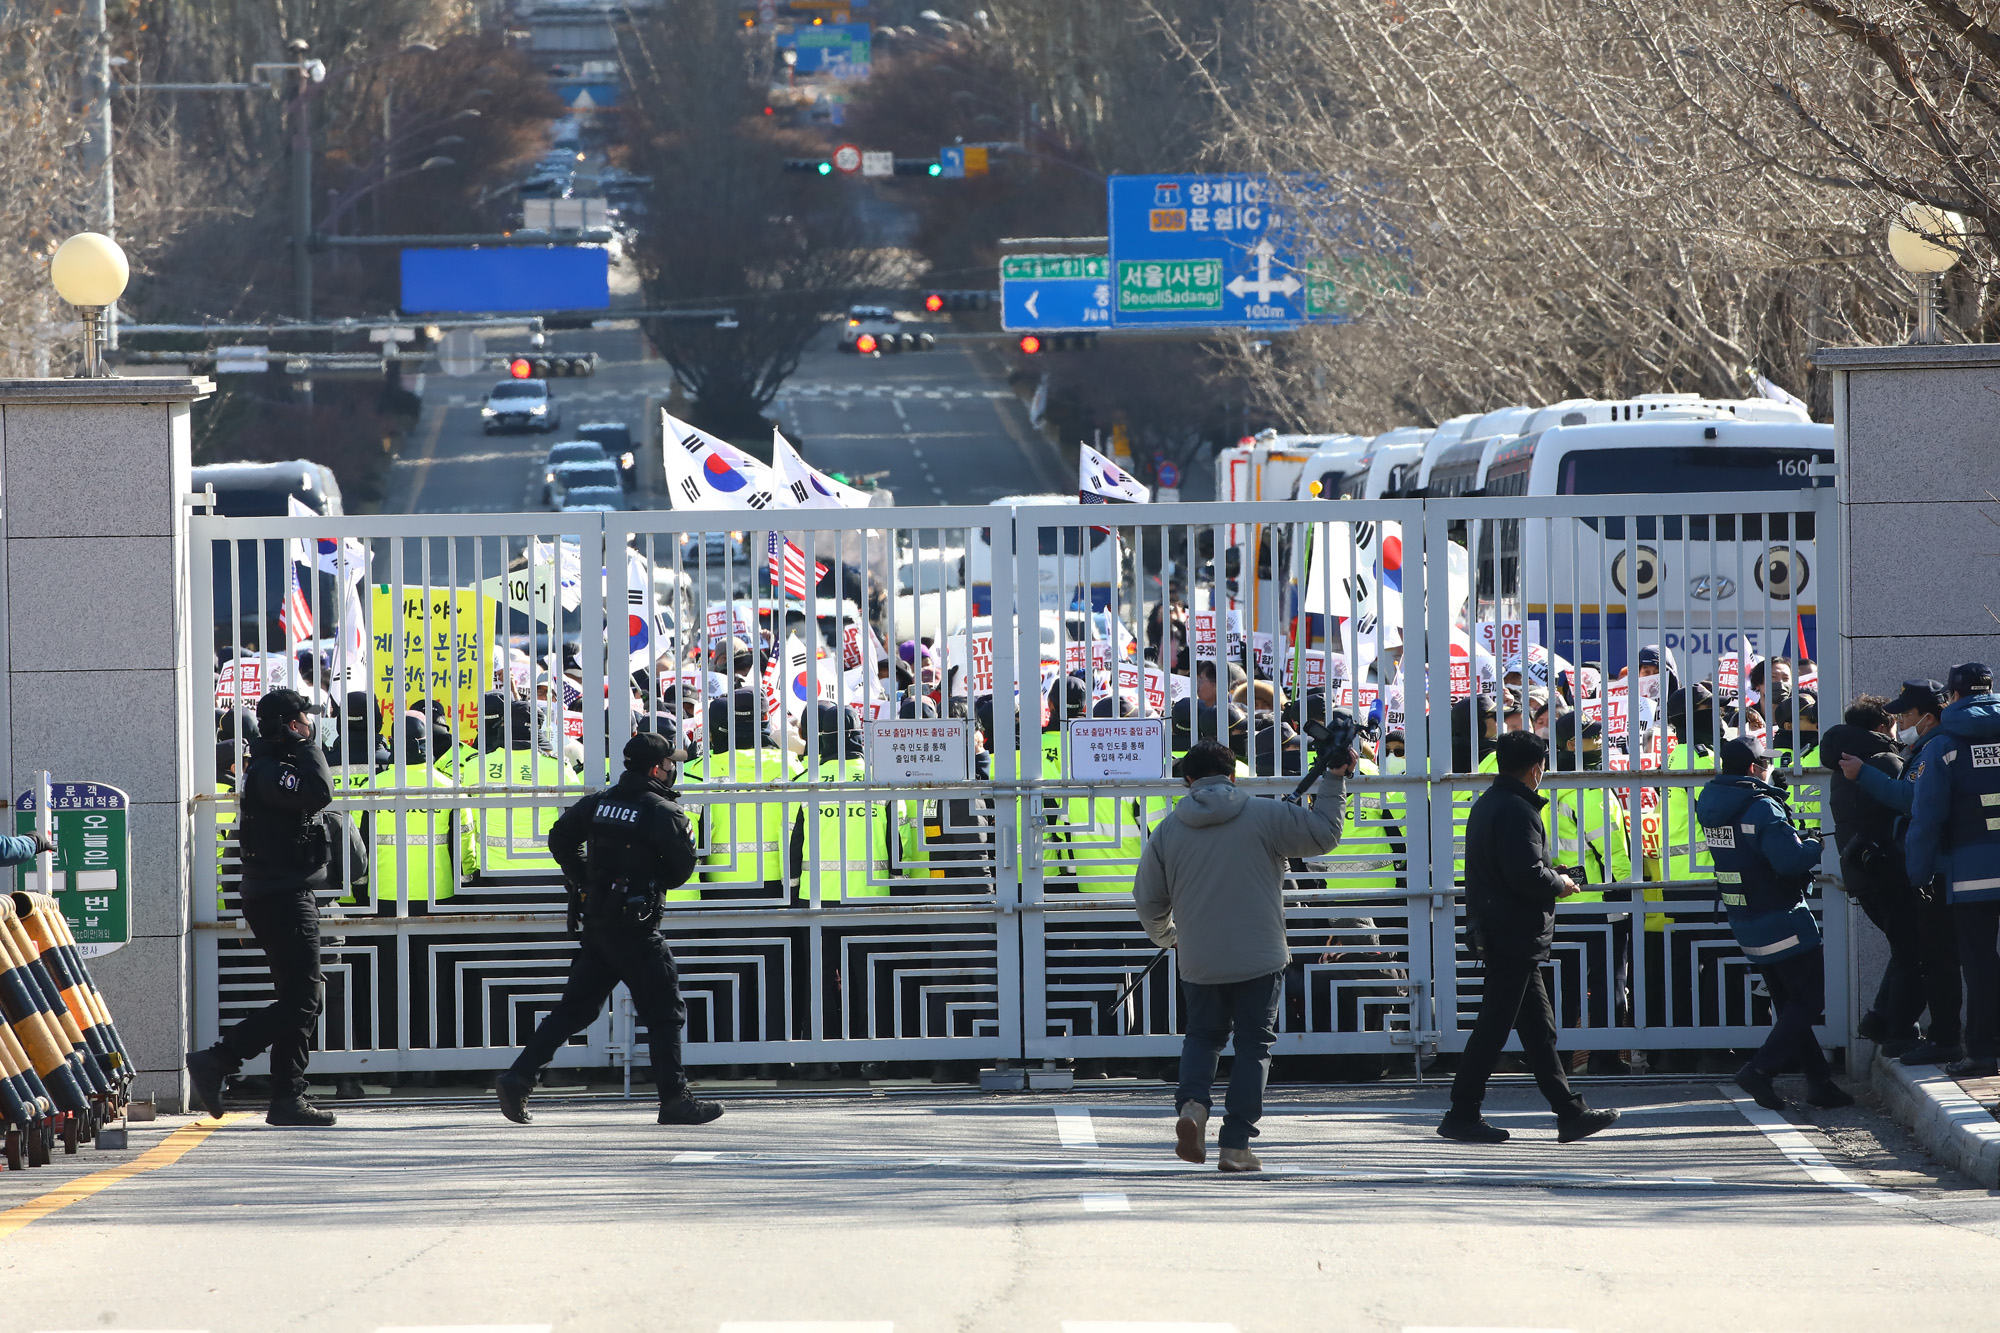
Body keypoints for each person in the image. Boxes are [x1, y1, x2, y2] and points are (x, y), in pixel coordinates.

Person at [1133, 735, 1352, 1173]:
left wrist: (1168, 937)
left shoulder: (1167, 832)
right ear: (1234, 776)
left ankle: (1192, 1105)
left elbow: (1148, 901)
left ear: (1188, 781)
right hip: (1261, 954)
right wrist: (1333, 778)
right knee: (1254, 1046)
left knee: (1203, 1036)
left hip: (1200, 957)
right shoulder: (1266, 814)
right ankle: (1235, 1146)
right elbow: (1325, 835)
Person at [496, 732, 723, 1126]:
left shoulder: (600, 803)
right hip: (635, 928)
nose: (673, 770)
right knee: (665, 1013)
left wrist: (587, 880)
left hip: (598, 921)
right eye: (670, 764)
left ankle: (518, 1078)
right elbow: (680, 873)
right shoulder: (663, 812)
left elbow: (560, 837)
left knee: (575, 1009)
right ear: (657, 768)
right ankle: (675, 1099)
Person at [1442, 730, 1620, 1143]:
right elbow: (1525, 874)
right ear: (1536, 768)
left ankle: (1570, 1112)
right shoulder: (1517, 810)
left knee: (1540, 1031)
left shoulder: (1490, 804)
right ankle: (1462, 1113)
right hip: (1514, 934)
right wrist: (1559, 882)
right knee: (1493, 1029)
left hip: (1506, 932)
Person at [187, 687, 341, 1127]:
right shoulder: (272, 771)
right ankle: (219, 1059)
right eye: (304, 721)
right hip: (280, 897)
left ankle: (287, 1098)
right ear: (291, 724)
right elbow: (320, 792)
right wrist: (306, 745)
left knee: (302, 997)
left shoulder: (274, 767)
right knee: (303, 1000)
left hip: (285, 892)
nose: (311, 726)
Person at [1695, 736, 1853, 1111]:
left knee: (1790, 1004)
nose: (1768, 768)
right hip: (1782, 918)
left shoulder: (1711, 802)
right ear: (1753, 768)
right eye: (1763, 763)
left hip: (1747, 920)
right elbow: (1790, 861)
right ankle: (1760, 1070)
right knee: (1810, 1001)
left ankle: (1820, 1083)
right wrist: (1814, 844)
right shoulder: (1761, 807)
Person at [1826, 695, 1960, 1062]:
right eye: (1896, 719)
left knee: (1905, 950)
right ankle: (1898, 1031)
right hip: (1890, 870)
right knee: (1914, 953)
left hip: (1865, 873)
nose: (1901, 724)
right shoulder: (1883, 760)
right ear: (1882, 726)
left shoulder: (1846, 761)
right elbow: (1912, 801)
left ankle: (1881, 1019)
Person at [1905, 662, 2000, 1078]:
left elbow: (1926, 818)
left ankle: (1981, 1052)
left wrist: (1919, 873)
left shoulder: (1942, 744)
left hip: (1971, 874)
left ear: (1953, 697)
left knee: (1980, 966)